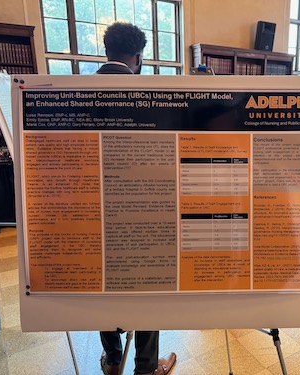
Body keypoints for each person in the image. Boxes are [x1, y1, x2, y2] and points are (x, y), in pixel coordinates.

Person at [96, 22, 177, 375]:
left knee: (103, 286)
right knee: (148, 289)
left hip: (94, 215)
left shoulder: (77, 89)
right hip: (144, 213)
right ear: (140, 57)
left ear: (105, 52)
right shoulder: (151, 94)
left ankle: (113, 361)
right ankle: (146, 367)